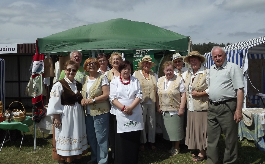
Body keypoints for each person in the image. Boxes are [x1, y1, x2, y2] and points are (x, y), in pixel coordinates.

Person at [207, 46, 244, 164]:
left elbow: (240, 90)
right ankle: (212, 161)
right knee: (212, 138)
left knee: (230, 138)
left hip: (227, 107)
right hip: (212, 107)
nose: (217, 58)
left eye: (220, 55)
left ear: (225, 55)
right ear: (212, 58)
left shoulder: (233, 68)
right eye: (215, 56)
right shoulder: (211, 69)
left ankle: (229, 162)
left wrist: (238, 110)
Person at [47, 60, 88, 164]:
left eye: (73, 70)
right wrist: (56, 116)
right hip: (66, 115)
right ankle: (63, 159)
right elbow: (54, 101)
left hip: (77, 114)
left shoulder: (78, 84)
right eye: (68, 69)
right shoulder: (59, 85)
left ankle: (74, 157)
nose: (71, 72)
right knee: (65, 134)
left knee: (75, 134)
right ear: (64, 70)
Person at [109, 60, 144, 164]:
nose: (126, 71)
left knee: (133, 137)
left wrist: (130, 108)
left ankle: (132, 159)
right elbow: (112, 98)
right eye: (124, 68)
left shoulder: (135, 80)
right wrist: (124, 108)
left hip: (134, 112)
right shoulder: (114, 81)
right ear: (120, 70)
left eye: (129, 69)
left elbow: (139, 95)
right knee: (121, 138)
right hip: (119, 114)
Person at [80, 58, 110, 164]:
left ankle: (102, 160)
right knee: (91, 137)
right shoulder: (84, 79)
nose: (91, 65)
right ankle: (94, 158)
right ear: (86, 67)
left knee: (101, 137)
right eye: (88, 64)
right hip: (88, 113)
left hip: (100, 111)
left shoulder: (102, 77)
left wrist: (92, 100)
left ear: (97, 66)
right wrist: (83, 100)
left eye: (93, 63)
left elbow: (106, 95)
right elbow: (83, 94)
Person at [183, 51, 209, 162]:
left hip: (202, 106)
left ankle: (203, 153)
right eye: (191, 60)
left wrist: (200, 94)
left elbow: (212, 88)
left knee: (201, 130)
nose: (193, 62)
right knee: (194, 129)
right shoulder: (188, 73)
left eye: (195, 60)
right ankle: (197, 148)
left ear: (200, 61)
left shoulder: (206, 72)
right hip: (191, 106)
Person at [157, 61, 186, 156]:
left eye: (171, 70)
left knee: (176, 130)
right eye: (167, 70)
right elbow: (157, 95)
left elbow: (183, 94)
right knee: (170, 130)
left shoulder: (179, 79)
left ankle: (177, 147)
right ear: (164, 71)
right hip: (164, 109)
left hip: (176, 109)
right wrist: (158, 106)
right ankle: (172, 146)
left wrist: (181, 108)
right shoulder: (160, 80)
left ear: (174, 70)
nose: (169, 72)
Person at [133, 55, 158, 151]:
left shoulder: (154, 75)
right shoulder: (136, 74)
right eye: (145, 63)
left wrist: (157, 104)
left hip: (152, 101)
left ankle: (151, 141)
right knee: (142, 121)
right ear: (142, 64)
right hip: (141, 102)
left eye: (149, 63)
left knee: (152, 122)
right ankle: (142, 141)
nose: (147, 64)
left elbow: (156, 90)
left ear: (151, 65)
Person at [106, 52, 123, 163]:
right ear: (111, 61)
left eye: (118, 59)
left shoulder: (123, 72)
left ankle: (121, 151)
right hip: (111, 106)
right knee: (113, 129)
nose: (116, 61)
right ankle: (113, 151)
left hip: (123, 106)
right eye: (114, 59)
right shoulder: (108, 74)